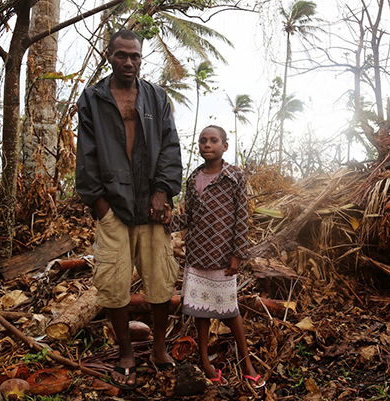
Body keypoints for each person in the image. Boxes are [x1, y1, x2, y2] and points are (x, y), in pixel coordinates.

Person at [75, 29, 182, 390]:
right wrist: (101, 206)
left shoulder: (156, 97)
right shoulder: (93, 99)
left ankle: (159, 348)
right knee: (113, 284)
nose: (129, 62)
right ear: (110, 56)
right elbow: (86, 156)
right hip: (114, 209)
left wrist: (162, 191)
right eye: (122, 55)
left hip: (151, 206)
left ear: (141, 58)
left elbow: (170, 146)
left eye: (135, 56)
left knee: (161, 281)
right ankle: (125, 352)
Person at [169, 125, 265, 389]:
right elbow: (188, 217)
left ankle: (247, 363)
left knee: (230, 311)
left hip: (223, 258)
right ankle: (204, 361)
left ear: (225, 146)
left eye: (213, 141)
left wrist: (237, 254)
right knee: (201, 312)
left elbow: (241, 218)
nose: (207, 145)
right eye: (203, 141)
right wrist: (166, 221)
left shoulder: (234, 176)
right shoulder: (193, 179)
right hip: (198, 255)